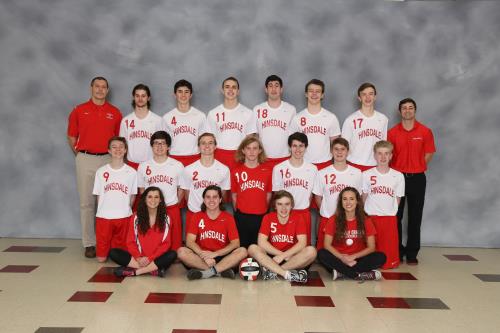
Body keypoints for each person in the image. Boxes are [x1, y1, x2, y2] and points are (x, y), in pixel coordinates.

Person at [67, 76, 122, 258]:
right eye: (97, 86)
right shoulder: (79, 110)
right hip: (85, 158)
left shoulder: (115, 112)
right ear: (91, 88)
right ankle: (89, 243)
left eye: (103, 87)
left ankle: (108, 244)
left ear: (107, 90)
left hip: (108, 159)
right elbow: (72, 137)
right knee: (87, 203)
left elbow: (118, 140)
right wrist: (82, 155)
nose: (100, 90)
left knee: (108, 202)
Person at [388, 98, 436, 265]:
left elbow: (429, 152)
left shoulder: (425, 131)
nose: (407, 111)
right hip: (397, 178)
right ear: (400, 111)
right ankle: (398, 251)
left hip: (417, 178)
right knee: (396, 216)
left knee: (415, 217)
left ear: (415, 110)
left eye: (410, 108)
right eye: (404, 108)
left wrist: (417, 166)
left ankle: (412, 253)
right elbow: (388, 155)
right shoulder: (392, 133)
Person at [177, 185, 248, 280]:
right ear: (204, 199)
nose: (211, 200)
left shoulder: (228, 217)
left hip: (222, 256)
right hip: (202, 256)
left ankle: (206, 273)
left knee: (243, 251)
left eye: (215, 197)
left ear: (220, 200)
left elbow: (235, 243)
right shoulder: (197, 216)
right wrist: (204, 256)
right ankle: (219, 271)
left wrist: (216, 254)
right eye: (208, 197)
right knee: (181, 252)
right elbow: (190, 241)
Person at [317, 187, 386, 281]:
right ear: (341, 202)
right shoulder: (333, 219)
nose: (348, 202)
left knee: (380, 256)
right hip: (339, 258)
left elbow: (371, 247)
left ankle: (342, 272)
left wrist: (353, 257)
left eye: (351, 199)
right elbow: (327, 245)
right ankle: (356, 274)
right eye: (344, 199)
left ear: (357, 201)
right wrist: (342, 258)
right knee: (322, 254)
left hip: (357, 259)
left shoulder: (366, 220)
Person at [248, 191, 316, 283]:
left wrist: (285, 255)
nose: (283, 208)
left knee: (312, 251)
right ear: (275, 206)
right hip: (273, 256)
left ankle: (273, 271)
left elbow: (302, 243)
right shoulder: (268, 218)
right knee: (252, 248)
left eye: (287, 204)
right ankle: (286, 274)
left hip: (292, 257)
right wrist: (281, 255)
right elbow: (261, 242)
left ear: (291, 205)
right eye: (280, 204)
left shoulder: (298, 218)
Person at [110, 186, 177, 277]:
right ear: (144, 199)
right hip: (138, 258)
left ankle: (136, 272)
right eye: (149, 197)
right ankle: (152, 270)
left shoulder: (166, 218)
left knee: (172, 255)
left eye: (156, 197)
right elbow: (130, 241)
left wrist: (150, 259)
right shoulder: (136, 217)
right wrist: (138, 257)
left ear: (160, 200)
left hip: (155, 258)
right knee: (113, 253)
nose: (153, 200)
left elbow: (166, 244)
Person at [92, 137, 137, 262]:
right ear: (109, 150)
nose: (118, 149)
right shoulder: (101, 172)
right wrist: (101, 212)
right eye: (114, 147)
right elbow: (98, 195)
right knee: (101, 259)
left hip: (123, 216)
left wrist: (125, 209)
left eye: (121, 147)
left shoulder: (132, 172)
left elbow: (133, 196)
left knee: (120, 256)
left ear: (125, 150)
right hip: (104, 217)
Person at [137, 131, 184, 250]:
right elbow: (142, 190)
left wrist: (175, 203)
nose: (159, 146)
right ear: (151, 146)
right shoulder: (143, 166)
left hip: (171, 207)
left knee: (175, 247)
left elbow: (181, 188)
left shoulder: (177, 165)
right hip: (152, 208)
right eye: (156, 143)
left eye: (163, 143)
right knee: (152, 245)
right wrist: (150, 205)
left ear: (168, 147)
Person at [314, 138, 363, 250]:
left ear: (348, 151)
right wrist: (327, 212)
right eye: (336, 149)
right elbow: (318, 197)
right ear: (331, 151)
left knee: (349, 252)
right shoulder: (322, 173)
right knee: (325, 255)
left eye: (342, 149)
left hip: (349, 221)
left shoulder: (357, 173)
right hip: (328, 218)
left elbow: (358, 198)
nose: (339, 152)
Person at [362, 141, 405, 269]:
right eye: (379, 153)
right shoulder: (366, 175)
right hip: (371, 218)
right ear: (374, 155)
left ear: (391, 156)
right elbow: (364, 197)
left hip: (388, 219)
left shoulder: (398, 176)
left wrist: (389, 211)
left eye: (386, 154)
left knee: (387, 261)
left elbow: (397, 199)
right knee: (370, 255)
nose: (383, 157)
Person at [272, 132, 317, 245]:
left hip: (303, 213)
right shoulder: (279, 168)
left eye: (301, 146)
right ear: (290, 147)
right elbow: (277, 194)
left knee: (304, 251)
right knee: (283, 247)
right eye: (294, 146)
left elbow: (311, 195)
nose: (298, 149)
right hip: (284, 213)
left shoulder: (312, 169)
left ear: (306, 147)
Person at [179, 133, 231, 227]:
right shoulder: (188, 169)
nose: (207, 146)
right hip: (194, 213)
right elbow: (187, 194)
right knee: (191, 242)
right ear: (198, 147)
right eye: (203, 143)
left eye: (210, 143)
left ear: (215, 146)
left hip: (215, 215)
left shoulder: (224, 169)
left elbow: (223, 195)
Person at [206, 76, 257, 170]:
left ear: (238, 91)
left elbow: (251, 140)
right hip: (219, 154)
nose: (230, 90)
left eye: (234, 87)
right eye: (227, 87)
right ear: (222, 90)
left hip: (240, 154)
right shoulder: (213, 113)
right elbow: (209, 140)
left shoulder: (248, 113)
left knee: (238, 184)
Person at [290, 79, 340, 170]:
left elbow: (336, 144)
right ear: (306, 94)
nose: (314, 94)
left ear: (322, 95)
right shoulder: (297, 118)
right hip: (303, 164)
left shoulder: (331, 117)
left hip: (326, 164)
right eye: (311, 91)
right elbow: (292, 144)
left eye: (317, 91)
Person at [231, 136, 272, 248]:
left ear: (260, 150)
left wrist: (263, 210)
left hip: (261, 217)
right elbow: (234, 196)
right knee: (242, 248)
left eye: (255, 148)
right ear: (243, 150)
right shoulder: (236, 171)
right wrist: (239, 212)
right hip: (242, 216)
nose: (252, 151)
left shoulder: (267, 171)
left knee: (258, 248)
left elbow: (268, 195)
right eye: (248, 148)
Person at [341, 82, 388, 171]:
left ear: (375, 97)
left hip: (375, 165)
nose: (368, 97)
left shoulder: (383, 119)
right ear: (359, 98)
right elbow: (343, 147)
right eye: (364, 94)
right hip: (354, 165)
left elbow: (383, 145)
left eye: (371, 94)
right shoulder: (350, 120)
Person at [253, 75, 296, 169]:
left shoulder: (290, 109)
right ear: (266, 89)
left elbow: (294, 137)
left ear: (281, 89)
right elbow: (253, 136)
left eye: (276, 85)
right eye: (270, 85)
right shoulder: (257, 109)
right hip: (263, 158)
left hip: (285, 158)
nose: (273, 89)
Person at [119, 83, 165, 169]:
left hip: (152, 165)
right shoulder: (126, 121)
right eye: (137, 96)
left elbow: (163, 145)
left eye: (143, 96)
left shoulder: (158, 120)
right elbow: (122, 145)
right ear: (133, 97)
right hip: (131, 165)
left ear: (148, 98)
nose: (140, 99)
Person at [163, 79, 207, 167]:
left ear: (191, 95)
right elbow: (164, 143)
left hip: (195, 158)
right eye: (180, 92)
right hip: (174, 158)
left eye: (186, 92)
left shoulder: (200, 116)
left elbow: (204, 141)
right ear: (174, 94)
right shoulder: (167, 117)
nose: (183, 95)